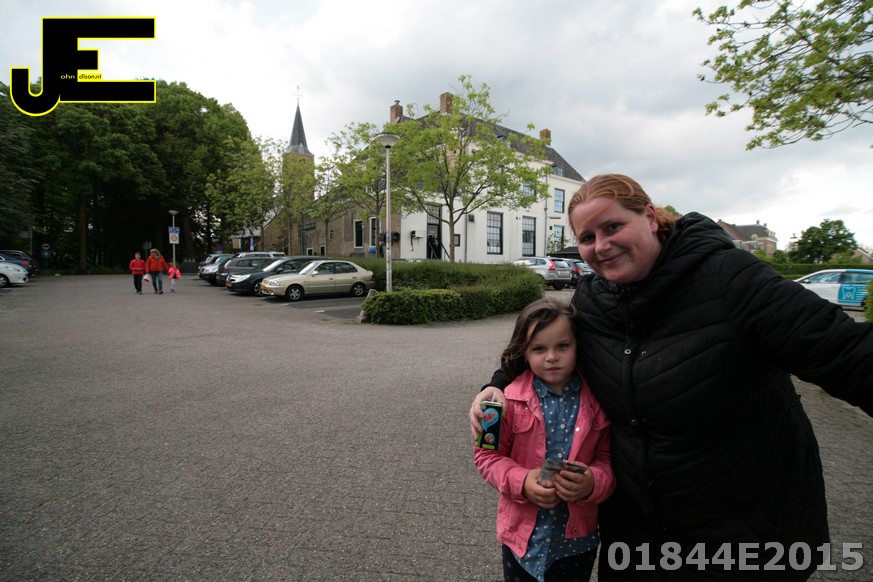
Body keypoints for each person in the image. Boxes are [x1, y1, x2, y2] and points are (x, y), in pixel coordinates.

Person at [471, 174, 873, 581]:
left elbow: (845, 352)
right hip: (637, 536)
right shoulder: (594, 298)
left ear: (649, 217)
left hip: (742, 533)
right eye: (587, 237)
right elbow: (542, 344)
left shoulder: (729, 277)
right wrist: (496, 385)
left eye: (613, 227)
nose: (601, 245)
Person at [474, 297, 615, 582]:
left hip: (577, 543)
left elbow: (608, 458)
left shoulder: (601, 398)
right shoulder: (497, 400)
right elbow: (485, 456)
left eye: (562, 346)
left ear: (578, 346)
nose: (552, 357)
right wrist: (522, 482)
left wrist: (593, 482)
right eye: (539, 348)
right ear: (523, 352)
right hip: (521, 543)